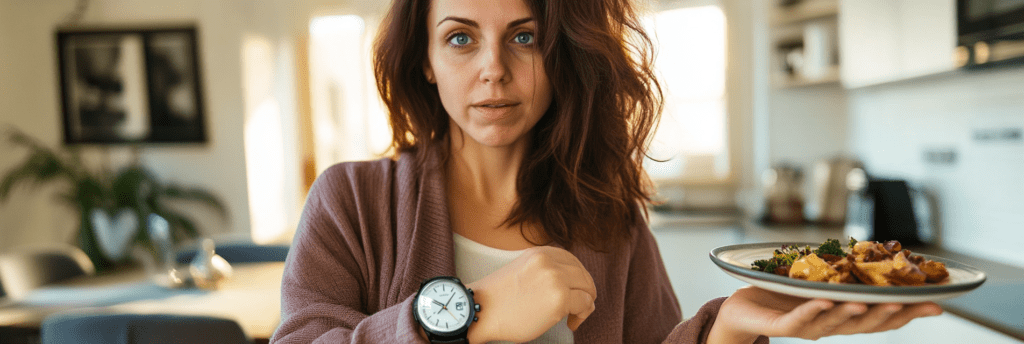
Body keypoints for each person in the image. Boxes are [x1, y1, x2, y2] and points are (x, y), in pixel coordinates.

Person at [270, 0, 944, 342]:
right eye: (460, 36)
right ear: (423, 58)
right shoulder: (351, 200)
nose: (494, 69)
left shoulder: (606, 216)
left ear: (560, 53)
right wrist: (468, 316)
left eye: (524, 36)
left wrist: (730, 328)